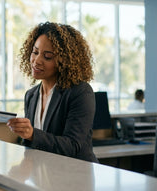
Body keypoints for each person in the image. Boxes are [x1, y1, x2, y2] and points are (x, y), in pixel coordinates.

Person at [7, 22, 98, 162]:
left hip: (76, 177)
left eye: (47, 56)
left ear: (65, 61)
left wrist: (32, 134)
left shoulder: (80, 92)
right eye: (35, 52)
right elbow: (31, 144)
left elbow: (72, 146)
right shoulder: (31, 95)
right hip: (44, 177)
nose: (36, 61)